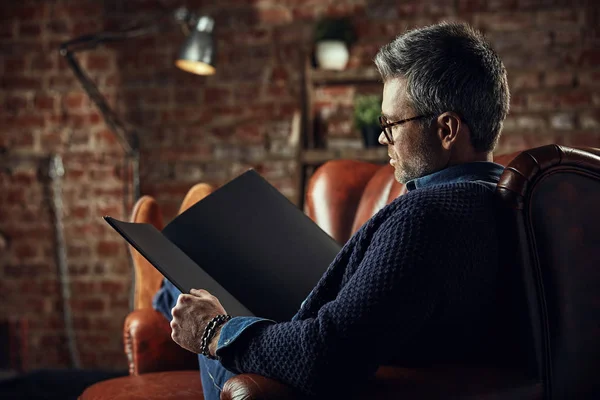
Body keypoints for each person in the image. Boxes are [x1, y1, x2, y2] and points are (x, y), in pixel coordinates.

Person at [154, 21, 511, 399]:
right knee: (193, 275)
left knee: (189, 274)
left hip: (300, 377)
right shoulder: (501, 198)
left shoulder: (427, 217)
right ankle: (159, 287)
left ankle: (158, 280)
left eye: (392, 123)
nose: (381, 137)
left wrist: (215, 332)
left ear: (447, 130)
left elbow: (327, 355)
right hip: (325, 327)